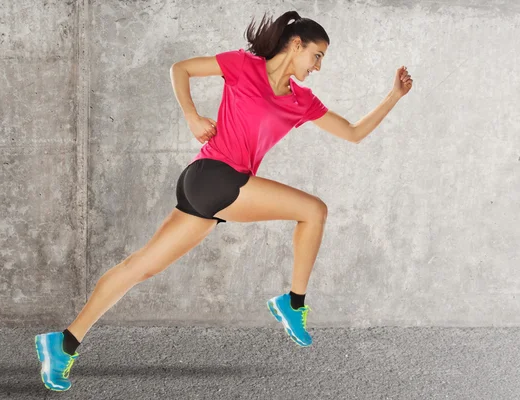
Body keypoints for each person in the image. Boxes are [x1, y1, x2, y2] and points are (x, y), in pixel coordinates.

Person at [34, 10, 413, 391]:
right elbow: (180, 68)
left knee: (140, 267)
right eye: (317, 55)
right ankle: (293, 304)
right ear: (296, 45)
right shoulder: (243, 66)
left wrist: (393, 97)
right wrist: (192, 116)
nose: (318, 66)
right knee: (314, 211)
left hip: (211, 190)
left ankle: (63, 343)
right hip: (213, 176)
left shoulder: (302, 101)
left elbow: (352, 132)